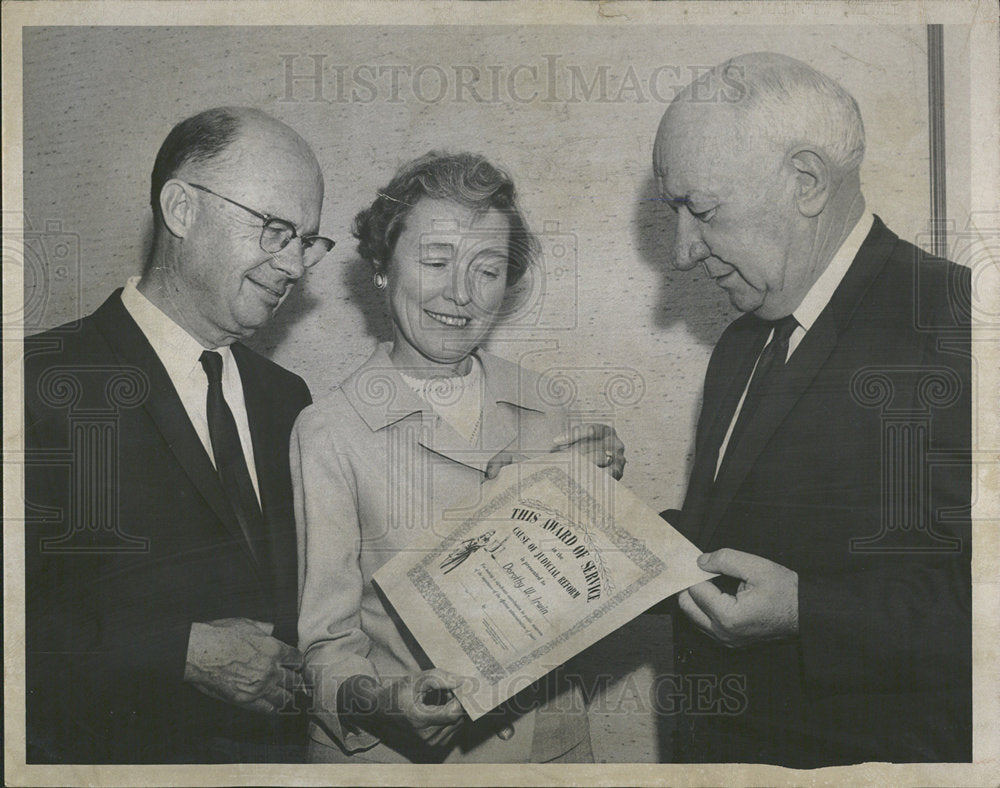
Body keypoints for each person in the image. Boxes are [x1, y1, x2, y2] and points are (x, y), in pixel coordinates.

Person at [652, 53, 971, 766]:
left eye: (701, 211)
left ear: (806, 182)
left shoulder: (962, 322)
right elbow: (726, 541)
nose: (680, 253)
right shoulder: (741, 342)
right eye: (672, 212)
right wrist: (590, 523)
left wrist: (809, 614)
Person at [291, 151, 625, 764]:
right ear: (382, 267)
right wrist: (383, 701)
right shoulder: (329, 431)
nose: (461, 294)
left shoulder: (547, 406)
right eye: (436, 261)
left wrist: (609, 507)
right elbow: (325, 648)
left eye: (488, 269)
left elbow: (581, 600)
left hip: (548, 756)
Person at [24, 107, 334, 763]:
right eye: (276, 230)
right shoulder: (34, 381)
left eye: (307, 241)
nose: (296, 267)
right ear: (182, 209)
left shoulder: (289, 401)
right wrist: (175, 650)